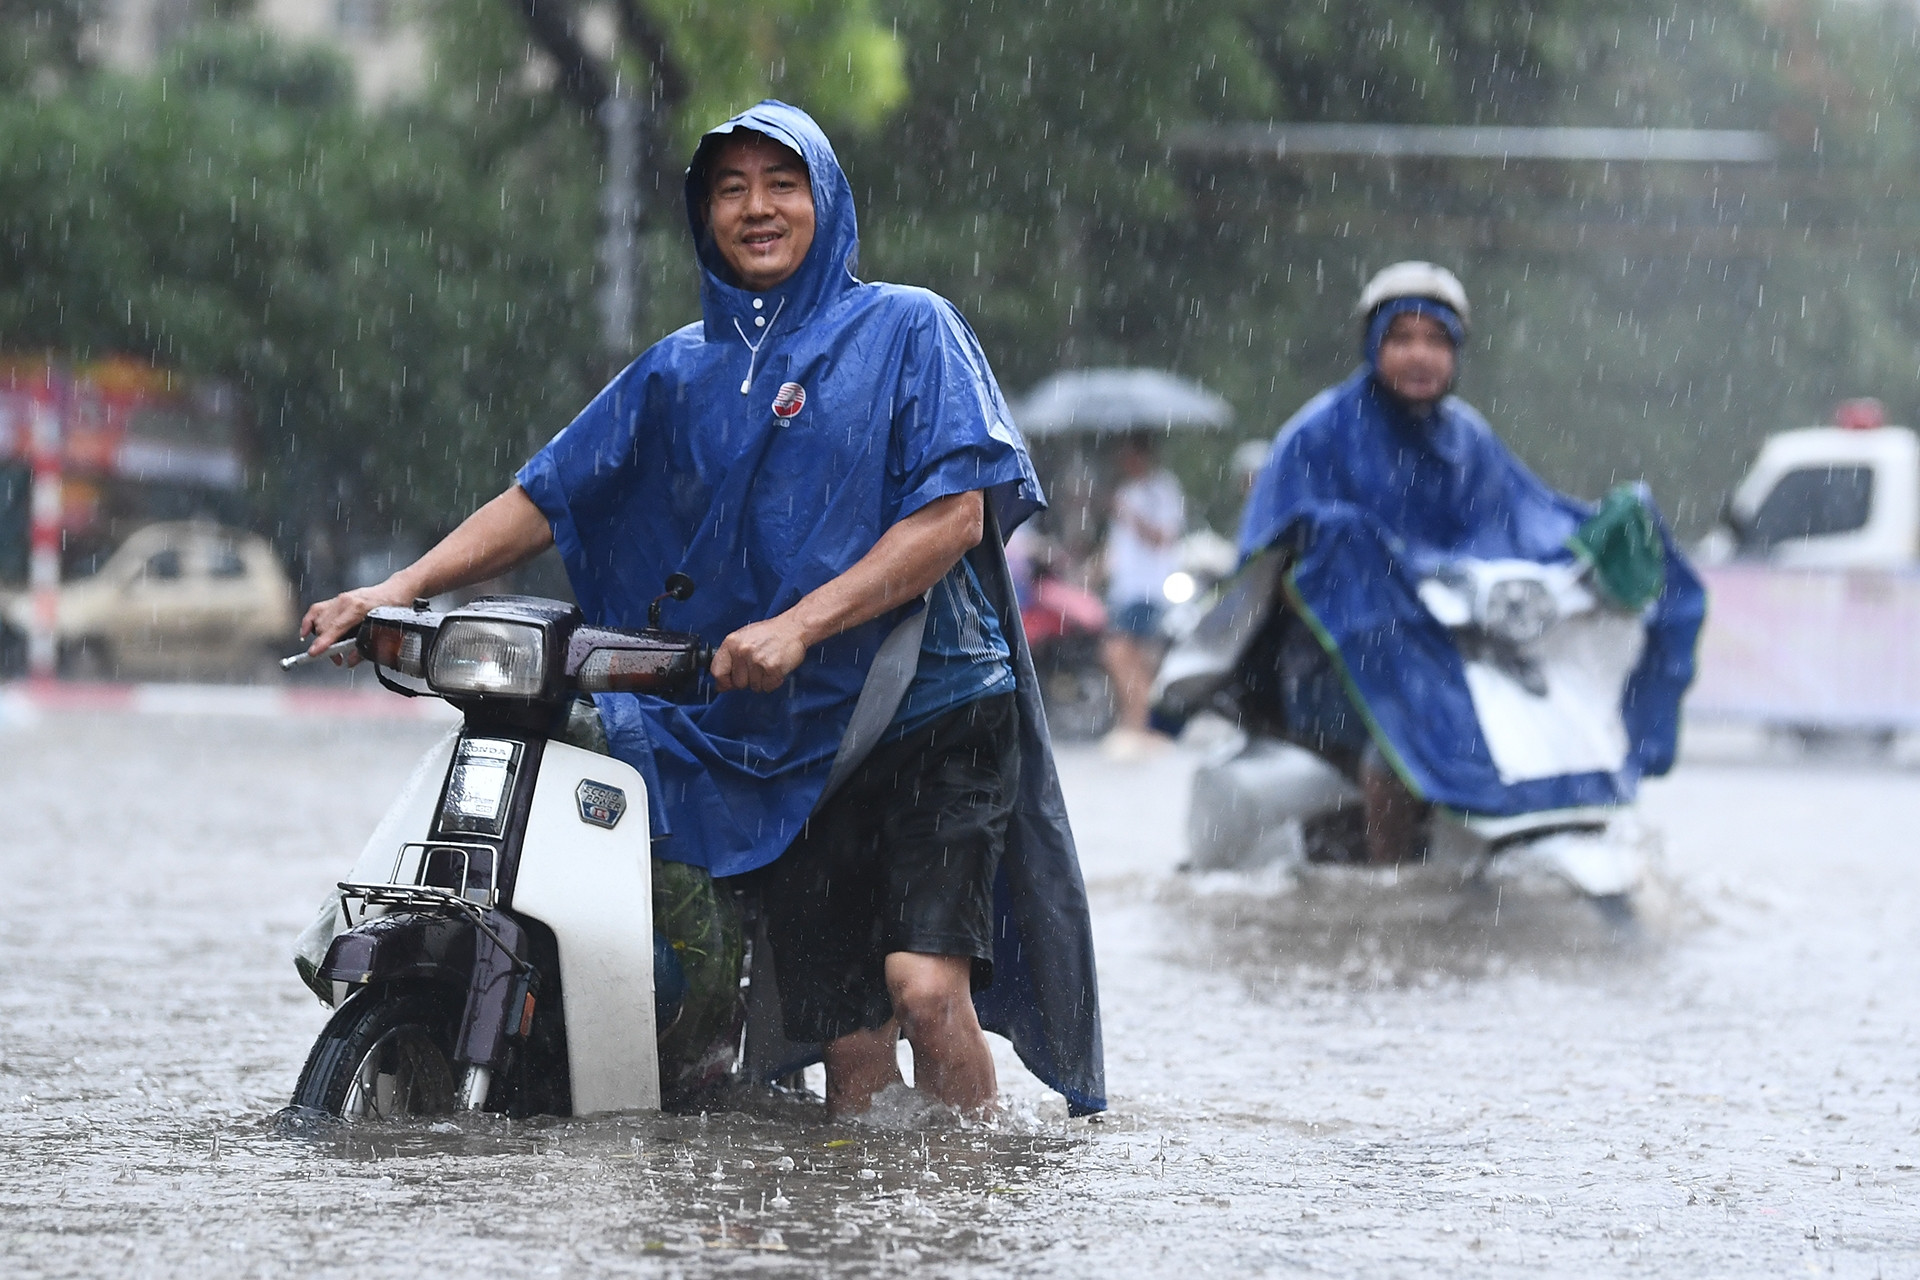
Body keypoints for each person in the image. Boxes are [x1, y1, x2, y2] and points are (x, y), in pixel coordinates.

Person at [299, 101, 1104, 1121]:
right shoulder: (681, 367)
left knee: (925, 989)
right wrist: (396, 589)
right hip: (787, 735)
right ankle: (863, 1229)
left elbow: (951, 518)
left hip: (932, 710)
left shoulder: (911, 326)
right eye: (731, 189)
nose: (757, 208)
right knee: (850, 1038)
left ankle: (967, 1216)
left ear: (828, 199)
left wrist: (800, 623)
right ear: (701, 213)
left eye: (782, 184)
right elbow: (550, 493)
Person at [1235, 261, 1703, 864]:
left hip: (1454, 651)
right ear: (1373, 344)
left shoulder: (1468, 441)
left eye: (1436, 340)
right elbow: (1267, 565)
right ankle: (1393, 892)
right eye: (1402, 338)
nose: (1419, 356)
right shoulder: (1317, 435)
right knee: (1397, 754)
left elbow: (1531, 528)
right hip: (1331, 658)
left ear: (1457, 352)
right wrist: (1364, 601)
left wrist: (1614, 530)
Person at [1099, 431, 1184, 757]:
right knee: (1122, 656)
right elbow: (1119, 546)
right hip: (1125, 586)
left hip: (1148, 588)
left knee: (1129, 655)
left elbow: (1163, 537)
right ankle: (1136, 724)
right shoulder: (1127, 492)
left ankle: (1141, 726)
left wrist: (1132, 515)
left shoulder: (1161, 489)